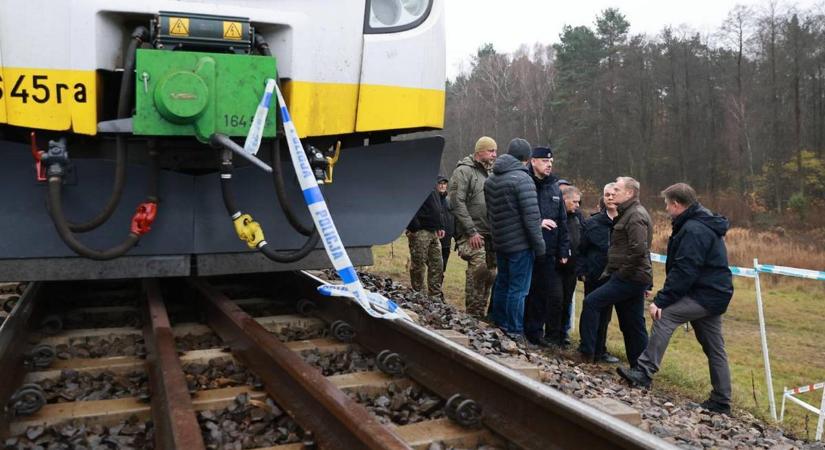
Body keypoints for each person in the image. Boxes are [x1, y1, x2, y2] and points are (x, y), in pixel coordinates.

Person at [617, 183, 734, 415]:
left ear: (677, 204)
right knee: (715, 348)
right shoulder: (699, 222)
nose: (667, 209)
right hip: (713, 292)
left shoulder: (693, 229)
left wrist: (662, 300)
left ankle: (644, 372)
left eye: (667, 205)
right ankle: (721, 400)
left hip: (705, 293)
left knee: (665, 315)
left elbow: (685, 269)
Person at [577, 176, 651, 365]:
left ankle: (586, 354)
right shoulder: (626, 213)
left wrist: (621, 273)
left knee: (592, 302)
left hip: (630, 277)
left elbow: (639, 250)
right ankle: (639, 368)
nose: (612, 194)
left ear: (629, 193)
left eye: (617, 190)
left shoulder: (635, 215)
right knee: (632, 323)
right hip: (630, 276)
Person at [484, 138, 545, 342]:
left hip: (500, 241)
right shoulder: (523, 179)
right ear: (526, 158)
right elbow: (531, 218)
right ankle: (514, 330)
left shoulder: (491, 179)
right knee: (518, 289)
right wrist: (540, 246)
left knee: (502, 283)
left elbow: (490, 213)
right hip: (520, 244)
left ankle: (499, 322)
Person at [523, 146, 569, 347]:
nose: (549, 165)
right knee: (524, 291)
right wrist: (537, 222)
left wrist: (563, 249)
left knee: (542, 293)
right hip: (526, 247)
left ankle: (535, 333)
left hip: (548, 251)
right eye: (544, 161)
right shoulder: (524, 182)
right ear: (533, 161)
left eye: (551, 162)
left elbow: (562, 221)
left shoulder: (554, 187)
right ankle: (518, 328)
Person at [449, 136, 498, 317]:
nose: (494, 155)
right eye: (491, 151)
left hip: (490, 234)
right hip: (471, 233)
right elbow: (456, 202)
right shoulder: (464, 171)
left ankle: (481, 314)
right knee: (478, 271)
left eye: (495, 151)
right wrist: (471, 231)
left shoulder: (492, 173)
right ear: (480, 151)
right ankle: (473, 315)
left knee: (490, 275)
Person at [576, 183, 621, 363]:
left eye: (613, 194)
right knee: (590, 311)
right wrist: (582, 271)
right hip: (594, 274)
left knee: (606, 316)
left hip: (616, 276)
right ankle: (587, 349)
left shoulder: (627, 222)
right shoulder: (591, 222)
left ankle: (600, 350)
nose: (610, 197)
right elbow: (581, 249)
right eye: (606, 194)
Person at [406, 179, 446, 298]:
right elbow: (407, 203)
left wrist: (440, 225)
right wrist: (414, 226)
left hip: (433, 231)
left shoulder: (432, 181)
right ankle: (419, 295)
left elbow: (437, 206)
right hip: (420, 231)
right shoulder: (414, 180)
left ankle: (435, 295)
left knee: (437, 264)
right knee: (418, 264)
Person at [557, 183, 582, 347]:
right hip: (556, 266)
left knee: (567, 301)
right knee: (556, 299)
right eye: (575, 202)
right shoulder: (557, 217)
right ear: (564, 200)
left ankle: (563, 333)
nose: (577, 205)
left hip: (572, 267)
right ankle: (552, 332)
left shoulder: (578, 218)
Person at [436, 176, 455, 270]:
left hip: (447, 240)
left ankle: (439, 284)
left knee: (443, 266)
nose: (442, 186)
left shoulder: (449, 201)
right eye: (440, 183)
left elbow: (453, 219)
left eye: (444, 184)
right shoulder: (432, 200)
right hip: (434, 239)